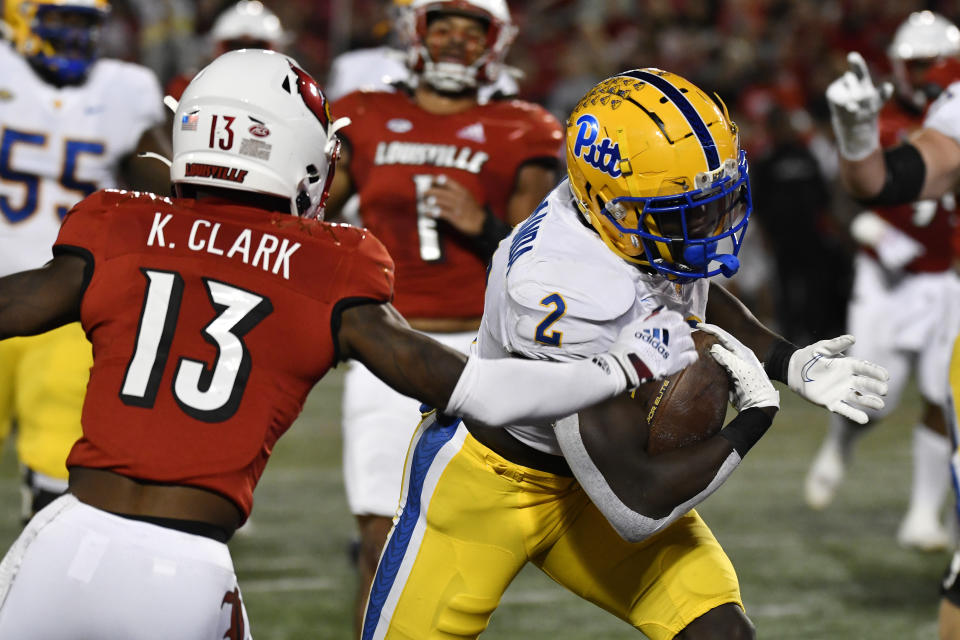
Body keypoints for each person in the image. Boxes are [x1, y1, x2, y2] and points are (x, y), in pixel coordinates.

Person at [0, 49, 703, 639]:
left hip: (60, 537)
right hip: (185, 573)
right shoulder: (325, 263)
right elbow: (481, 391)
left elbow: (12, 304)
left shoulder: (117, 226)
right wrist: (624, 363)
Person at [362, 69, 890, 640]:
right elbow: (634, 503)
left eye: (714, 205)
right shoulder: (554, 286)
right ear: (612, 207)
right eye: (688, 215)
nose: (712, 229)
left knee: (719, 634)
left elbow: (696, 294)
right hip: (490, 486)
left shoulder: (627, 218)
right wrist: (755, 420)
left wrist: (794, 363)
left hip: (594, 468)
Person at [325, 0, 563, 630]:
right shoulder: (366, 115)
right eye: (445, 27)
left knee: (469, 552)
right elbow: (311, 215)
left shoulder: (524, 127)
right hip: (386, 343)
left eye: (471, 31)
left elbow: (546, 259)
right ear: (416, 31)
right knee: (379, 543)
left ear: (496, 41)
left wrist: (482, 226)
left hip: (486, 353)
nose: (457, 42)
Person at [0, 0, 168, 525]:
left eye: (85, 23)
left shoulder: (124, 89)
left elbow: (163, 186)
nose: (75, 35)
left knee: (58, 476)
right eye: (62, 19)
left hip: (65, 306)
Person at [821, 22, 960, 640]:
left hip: (945, 277)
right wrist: (856, 139)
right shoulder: (942, 113)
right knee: (875, 393)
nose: (922, 71)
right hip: (891, 278)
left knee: (936, 396)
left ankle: (924, 514)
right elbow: (868, 185)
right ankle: (840, 448)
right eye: (916, 61)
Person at [324, 0, 518, 103]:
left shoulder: (503, 86)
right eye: (442, 30)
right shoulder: (353, 67)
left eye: (473, 34)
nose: (456, 41)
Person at [164, 0, 290, 101]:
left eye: (256, 48)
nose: (244, 56)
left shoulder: (294, 90)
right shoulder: (187, 88)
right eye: (235, 47)